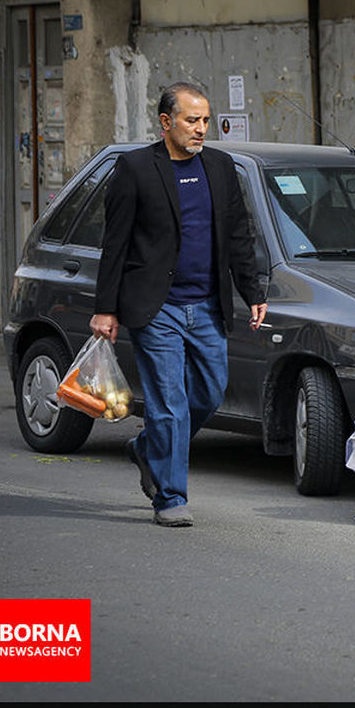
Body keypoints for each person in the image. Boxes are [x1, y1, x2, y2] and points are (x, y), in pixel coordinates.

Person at [90, 82, 268, 528]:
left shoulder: (222, 168)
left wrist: (253, 292)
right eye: (192, 120)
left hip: (207, 305)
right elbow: (115, 244)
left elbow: (239, 236)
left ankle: (148, 447)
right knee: (169, 402)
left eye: (206, 120)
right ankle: (170, 497)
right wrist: (105, 308)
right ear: (166, 122)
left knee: (209, 392)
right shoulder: (134, 169)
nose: (201, 129)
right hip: (157, 308)